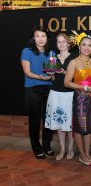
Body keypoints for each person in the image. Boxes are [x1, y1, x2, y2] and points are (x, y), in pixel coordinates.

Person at [64, 32, 91, 166]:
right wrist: (84, 88)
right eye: (84, 44)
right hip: (80, 98)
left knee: (90, 127)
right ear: (79, 47)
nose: (87, 47)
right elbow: (67, 82)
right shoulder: (74, 62)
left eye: (90, 45)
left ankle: (87, 153)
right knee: (80, 128)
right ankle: (82, 155)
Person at [21, 25, 55, 159]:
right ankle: (36, 148)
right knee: (35, 120)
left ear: (47, 38)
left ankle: (47, 146)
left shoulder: (51, 53)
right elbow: (27, 72)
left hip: (48, 89)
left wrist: (52, 76)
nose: (40, 39)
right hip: (33, 89)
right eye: (37, 36)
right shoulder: (27, 51)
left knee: (48, 119)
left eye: (43, 36)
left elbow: (54, 72)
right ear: (33, 38)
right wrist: (39, 77)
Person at [45, 33, 77, 160]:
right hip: (55, 93)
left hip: (69, 93)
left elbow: (77, 78)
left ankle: (71, 148)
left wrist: (66, 72)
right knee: (58, 123)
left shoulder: (74, 58)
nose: (61, 44)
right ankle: (62, 149)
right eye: (59, 42)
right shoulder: (53, 58)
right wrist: (50, 74)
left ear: (68, 44)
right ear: (57, 44)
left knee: (69, 123)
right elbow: (52, 78)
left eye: (64, 41)